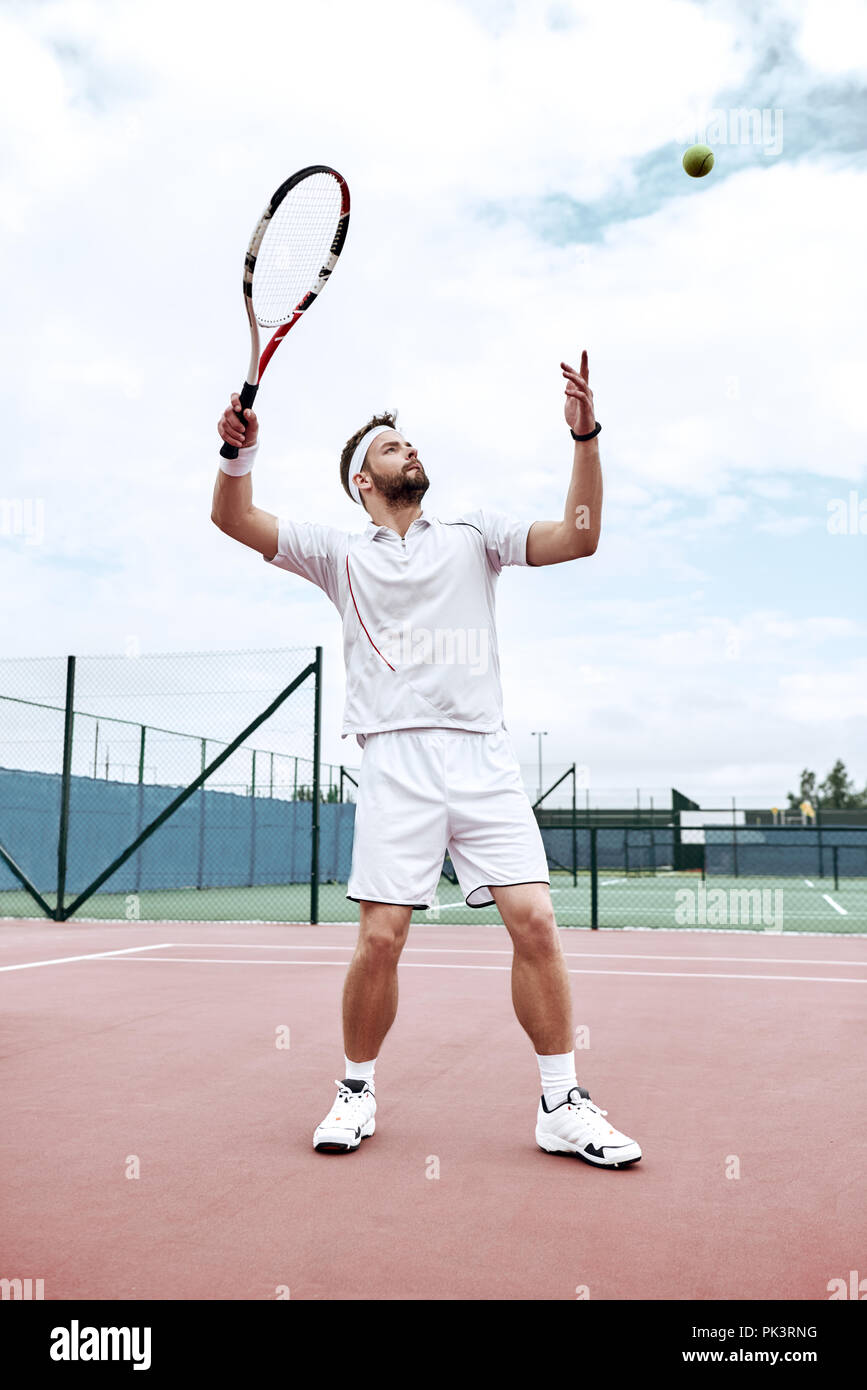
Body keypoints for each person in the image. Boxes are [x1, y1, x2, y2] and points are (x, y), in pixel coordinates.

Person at [212, 351, 641, 1169]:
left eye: (407, 442)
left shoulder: (474, 535)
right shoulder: (338, 554)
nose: (406, 451)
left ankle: (560, 1102)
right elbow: (234, 520)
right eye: (387, 447)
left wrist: (584, 435)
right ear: (361, 483)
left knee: (537, 922)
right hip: (395, 765)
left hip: (482, 757)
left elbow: (578, 539)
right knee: (380, 938)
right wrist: (238, 455)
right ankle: (355, 1089)